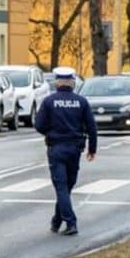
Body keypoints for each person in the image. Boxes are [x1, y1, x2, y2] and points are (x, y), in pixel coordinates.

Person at [35, 67, 98, 236]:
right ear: (72, 83)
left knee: (62, 187)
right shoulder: (81, 102)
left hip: (56, 148)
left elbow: (39, 125)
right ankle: (57, 221)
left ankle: (70, 223)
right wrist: (92, 149)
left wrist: (50, 132)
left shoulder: (49, 101)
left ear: (57, 83)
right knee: (66, 186)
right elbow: (92, 127)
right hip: (75, 149)